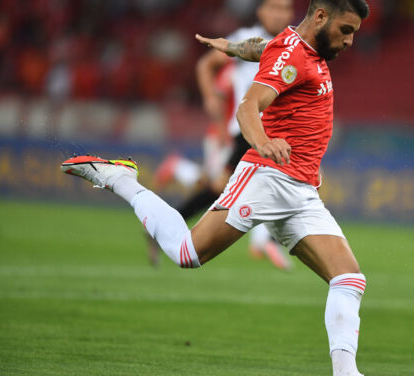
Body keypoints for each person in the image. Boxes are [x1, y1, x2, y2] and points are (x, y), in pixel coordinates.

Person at [60, 1, 370, 375]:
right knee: (188, 253)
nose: (350, 41)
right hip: (267, 179)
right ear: (321, 16)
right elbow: (248, 106)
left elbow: (261, 49)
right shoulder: (295, 55)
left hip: (301, 190)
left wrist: (233, 48)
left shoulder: (297, 46)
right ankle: (120, 180)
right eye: (346, 30)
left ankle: (346, 373)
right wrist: (261, 142)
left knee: (349, 278)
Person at [150, 0, 294, 270]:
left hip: (279, 131)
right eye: (274, 7)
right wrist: (209, 97)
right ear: (261, 11)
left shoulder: (293, 43)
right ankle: (266, 241)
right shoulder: (244, 40)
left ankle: (165, 226)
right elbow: (206, 65)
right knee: (266, 186)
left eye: (285, 8)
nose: (280, 13)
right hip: (250, 130)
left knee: (227, 188)